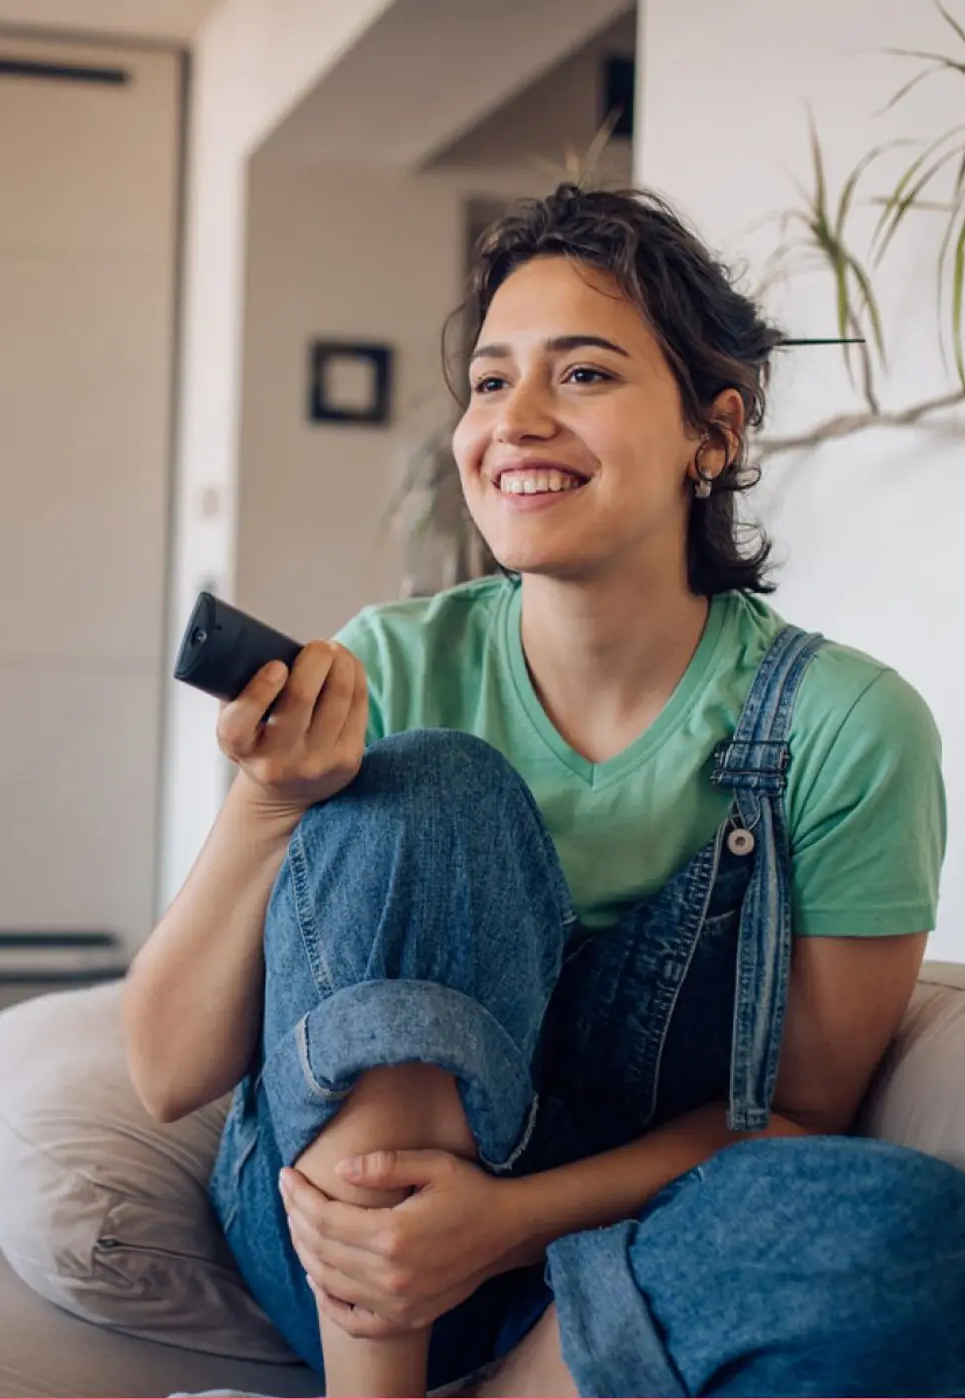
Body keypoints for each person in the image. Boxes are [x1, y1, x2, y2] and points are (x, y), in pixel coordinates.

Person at [123, 184, 965, 1398]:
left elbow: (785, 1116)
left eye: (580, 375)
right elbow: (160, 1070)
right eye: (486, 380)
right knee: (435, 789)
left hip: (625, 1243)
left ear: (710, 434)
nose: (512, 420)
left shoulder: (847, 726)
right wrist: (264, 805)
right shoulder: (393, 662)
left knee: (917, 1232)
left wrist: (505, 1219)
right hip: (338, 1253)